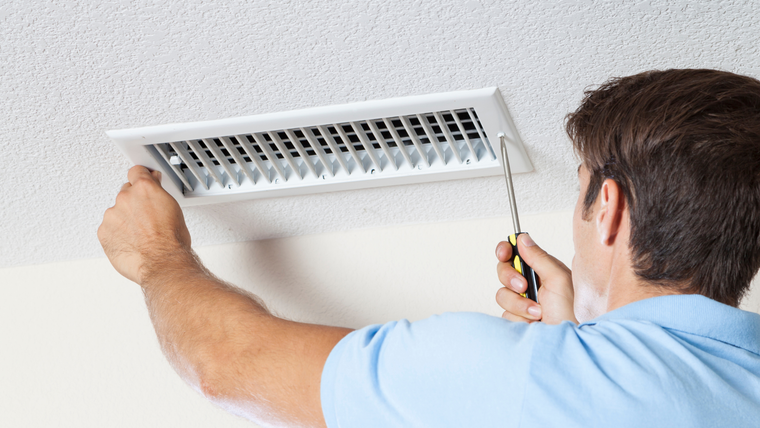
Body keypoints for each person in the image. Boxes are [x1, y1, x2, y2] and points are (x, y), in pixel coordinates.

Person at [98, 69, 760, 427]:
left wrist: (157, 255)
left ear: (608, 209)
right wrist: (573, 333)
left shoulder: (518, 377)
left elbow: (223, 363)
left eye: (581, 189)